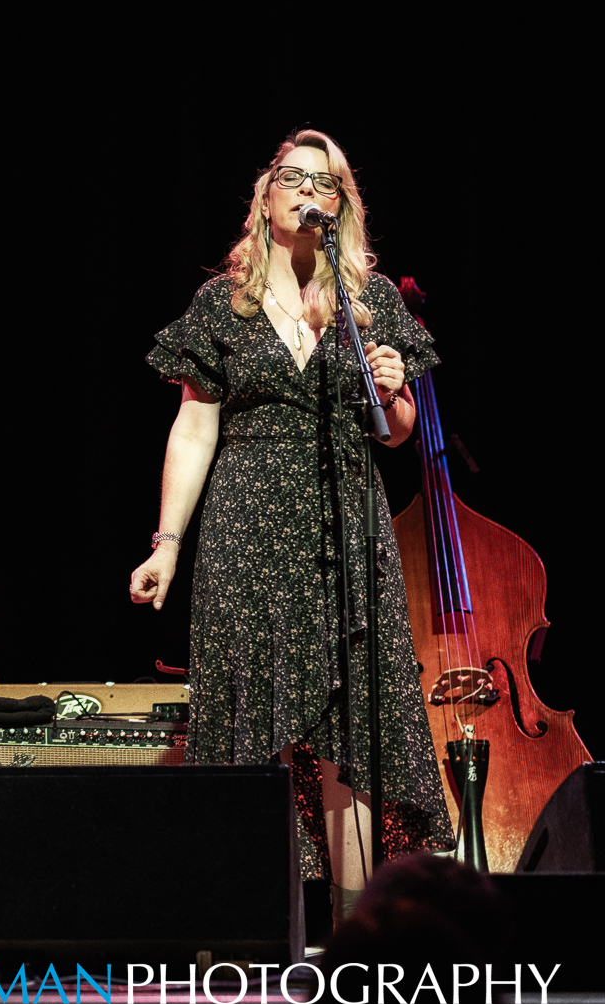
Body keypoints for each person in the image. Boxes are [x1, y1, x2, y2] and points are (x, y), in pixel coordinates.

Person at [128, 129, 453, 922]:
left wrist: (395, 392)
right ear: (266, 198)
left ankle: (354, 931)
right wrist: (166, 544)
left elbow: (398, 431)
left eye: (327, 183)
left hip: (346, 523)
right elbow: (194, 428)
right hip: (247, 521)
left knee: (354, 722)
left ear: (340, 207)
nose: (310, 193)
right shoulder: (222, 304)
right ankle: (252, 924)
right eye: (295, 178)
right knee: (254, 719)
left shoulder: (365, 305)